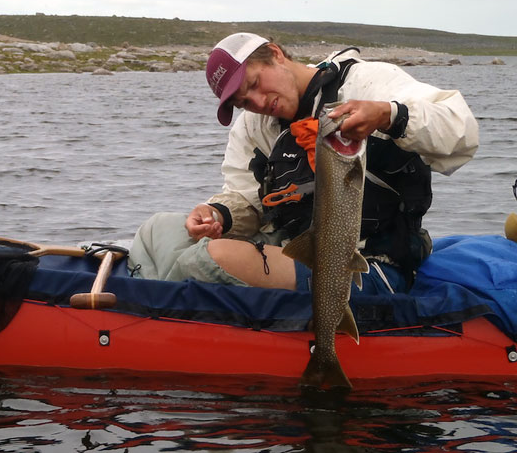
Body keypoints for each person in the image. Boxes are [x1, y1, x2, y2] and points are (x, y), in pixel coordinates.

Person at [128, 32, 479, 294]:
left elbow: (461, 132)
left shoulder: (366, 82)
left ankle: (161, 310)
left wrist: (388, 114)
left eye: (254, 83)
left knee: (204, 260)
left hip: (366, 264)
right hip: (294, 251)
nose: (256, 102)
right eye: (242, 100)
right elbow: (246, 197)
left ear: (276, 55)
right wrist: (216, 215)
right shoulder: (253, 127)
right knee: (158, 228)